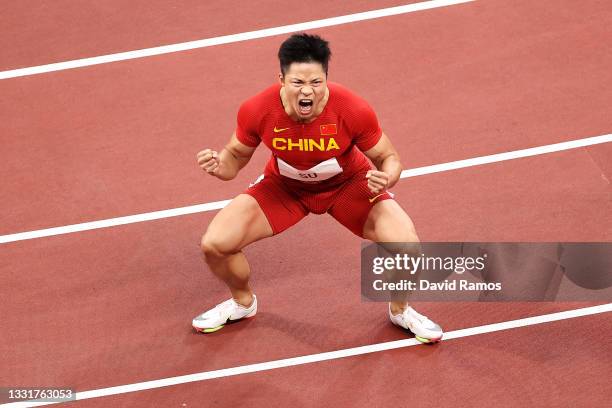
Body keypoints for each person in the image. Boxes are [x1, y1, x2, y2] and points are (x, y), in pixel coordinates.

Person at [192, 33, 443, 343]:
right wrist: (220, 166)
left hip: (348, 186)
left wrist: (387, 177)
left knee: (407, 245)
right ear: (281, 78)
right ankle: (242, 303)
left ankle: (400, 310)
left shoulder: (352, 108)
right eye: (298, 83)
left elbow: (389, 158)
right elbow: (234, 159)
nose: (307, 91)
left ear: (327, 78)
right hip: (284, 188)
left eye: (316, 82)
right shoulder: (257, 109)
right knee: (215, 244)